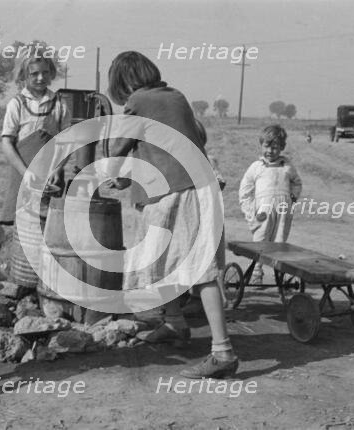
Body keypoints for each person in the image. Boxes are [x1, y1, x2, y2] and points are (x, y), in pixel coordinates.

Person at [106, 51, 239, 379]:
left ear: (123, 82)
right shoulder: (175, 96)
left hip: (180, 190)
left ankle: (222, 351)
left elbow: (115, 148)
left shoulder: (138, 101)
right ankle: (176, 323)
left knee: (198, 268)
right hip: (196, 186)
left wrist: (116, 170)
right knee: (166, 260)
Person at [0, 48, 71, 226]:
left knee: (49, 226)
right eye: (35, 73)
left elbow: (67, 142)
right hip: (23, 173)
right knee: (22, 227)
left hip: (50, 177)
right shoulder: (16, 104)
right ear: (24, 74)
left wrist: (58, 168)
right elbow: (7, 143)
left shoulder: (60, 104)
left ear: (51, 73)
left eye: (45, 72)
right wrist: (26, 173)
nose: (41, 78)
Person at [238, 125, 302, 284]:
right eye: (267, 146)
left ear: (282, 147)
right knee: (261, 241)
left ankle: (279, 274)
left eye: (275, 148)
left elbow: (297, 183)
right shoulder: (256, 167)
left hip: (283, 211)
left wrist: (293, 198)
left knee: (279, 243)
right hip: (263, 212)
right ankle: (256, 274)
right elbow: (245, 191)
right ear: (261, 145)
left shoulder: (287, 166)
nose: (270, 151)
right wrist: (249, 211)